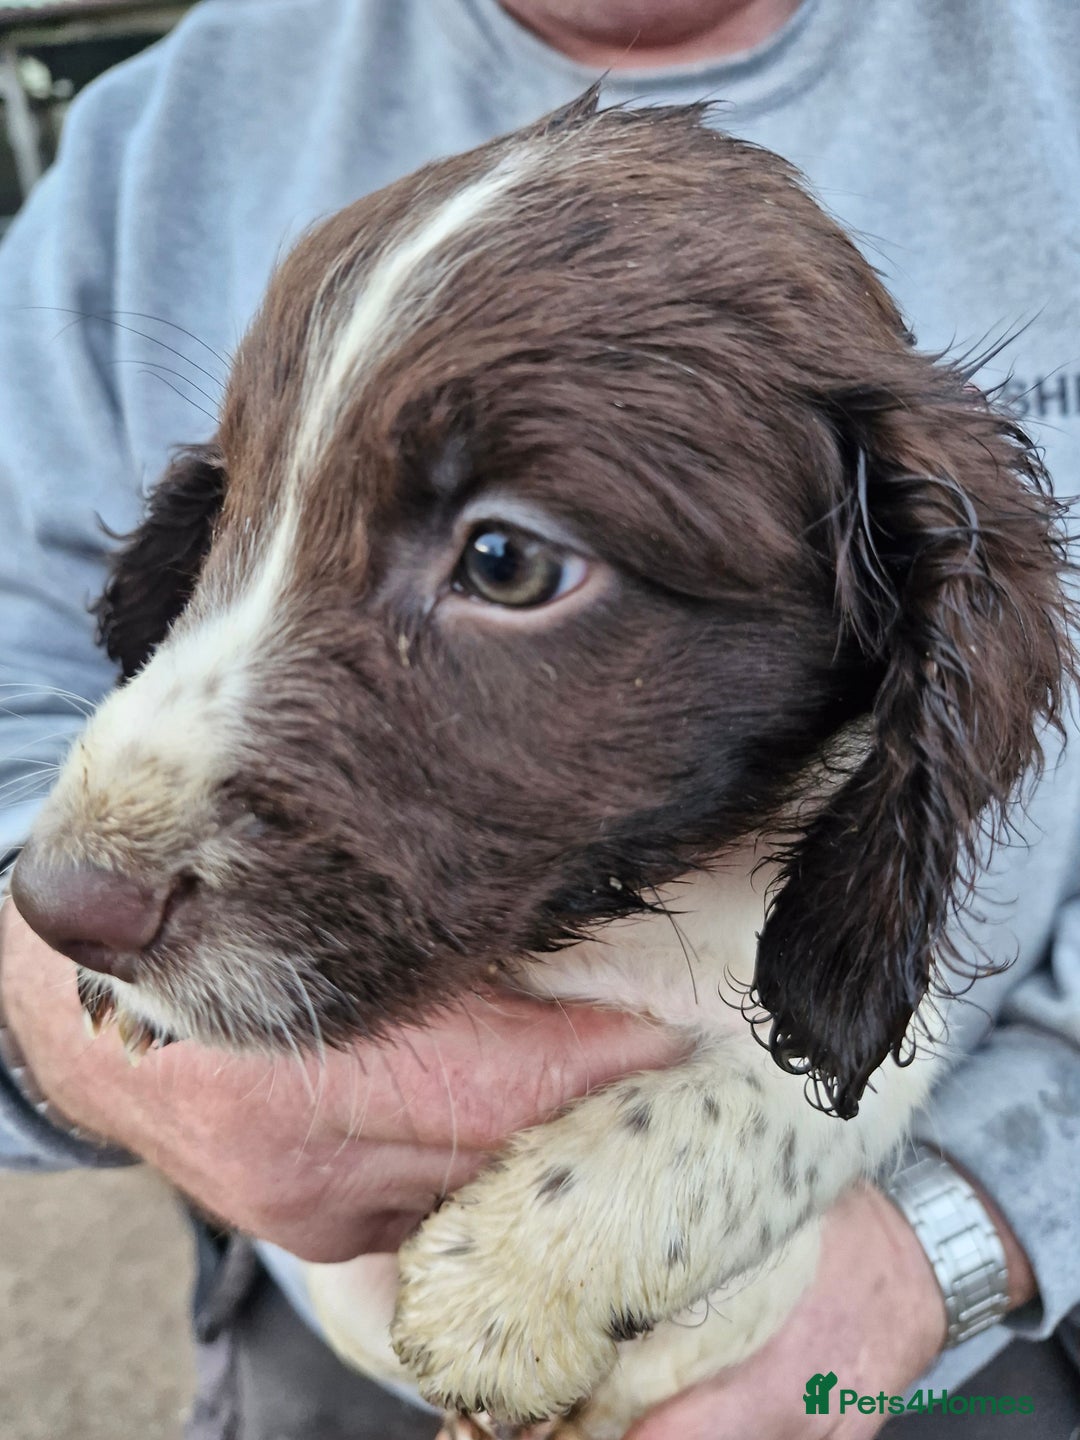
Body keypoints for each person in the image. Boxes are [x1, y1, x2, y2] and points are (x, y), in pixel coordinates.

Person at [0, 2, 1078, 1436]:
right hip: (326, 1334)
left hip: (927, 1322)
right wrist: (47, 1028)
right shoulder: (159, 131)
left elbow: (862, 1056)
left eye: (504, 563)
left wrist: (941, 1240)